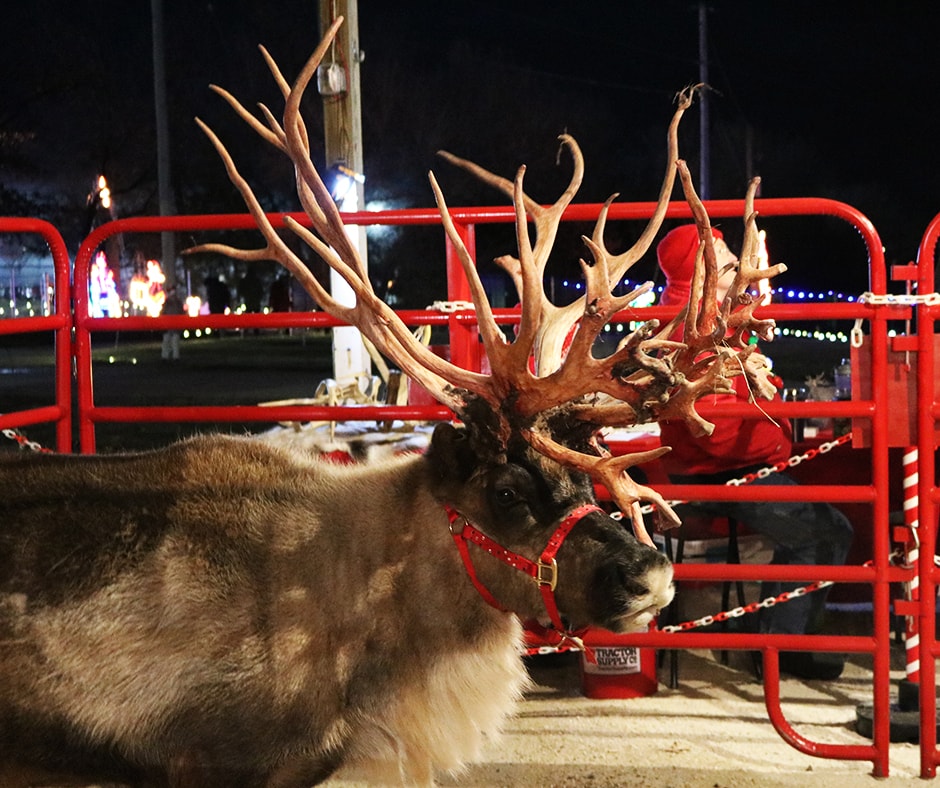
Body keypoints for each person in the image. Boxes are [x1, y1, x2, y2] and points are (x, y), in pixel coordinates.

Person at [656, 223, 854, 680]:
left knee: (817, 528)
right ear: (698, 269)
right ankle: (781, 648)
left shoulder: (708, 316)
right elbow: (719, 434)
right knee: (826, 532)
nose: (733, 259)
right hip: (718, 473)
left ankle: (775, 631)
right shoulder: (691, 327)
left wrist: (765, 398)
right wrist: (772, 402)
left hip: (720, 467)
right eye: (722, 253)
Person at [161, 284, 185, 361]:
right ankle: (166, 356)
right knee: (167, 341)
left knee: (174, 341)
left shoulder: (178, 302)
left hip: (175, 325)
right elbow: (163, 313)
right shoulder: (167, 302)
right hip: (168, 326)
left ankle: (175, 356)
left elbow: (182, 313)